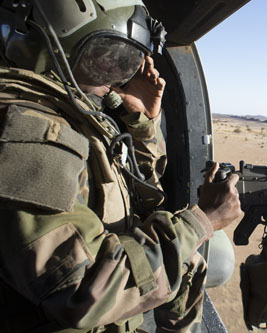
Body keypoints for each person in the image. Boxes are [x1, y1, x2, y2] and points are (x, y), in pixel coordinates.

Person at [0, 1, 241, 332]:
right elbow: (83, 292)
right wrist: (202, 222)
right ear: (57, 48)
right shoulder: (34, 137)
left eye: (124, 63)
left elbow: (132, 202)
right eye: (106, 59)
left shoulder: (69, 113)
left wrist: (141, 124)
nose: (115, 80)